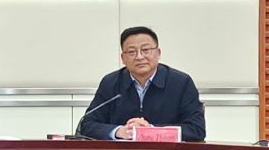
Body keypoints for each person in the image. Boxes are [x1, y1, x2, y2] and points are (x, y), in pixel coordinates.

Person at [78, 26, 206, 141]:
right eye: (131, 52)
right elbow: (87, 125)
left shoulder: (181, 83)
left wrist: (151, 131)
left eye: (145, 50)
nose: (139, 57)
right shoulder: (110, 83)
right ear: (123, 58)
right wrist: (119, 131)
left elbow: (196, 129)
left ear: (158, 53)